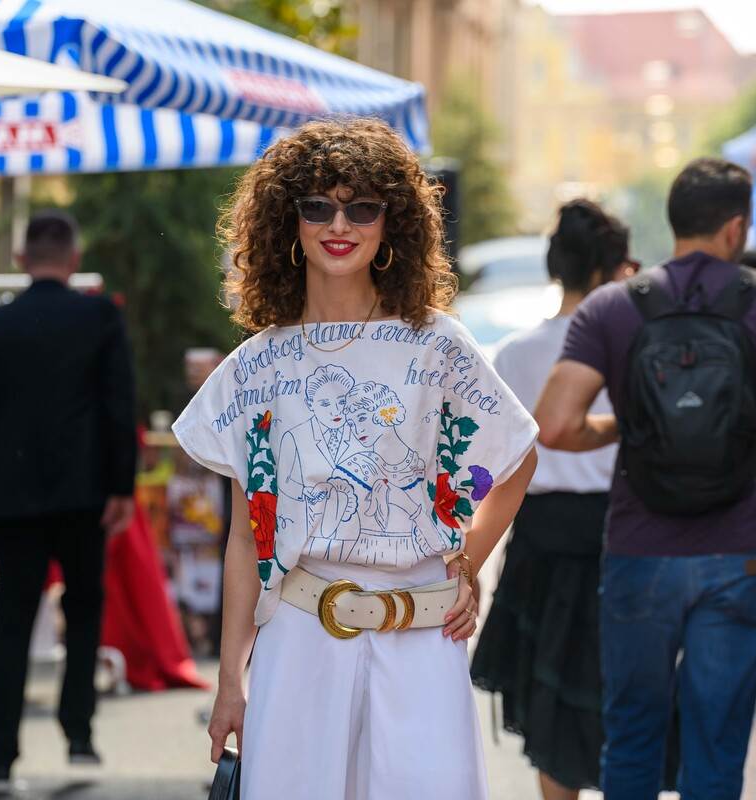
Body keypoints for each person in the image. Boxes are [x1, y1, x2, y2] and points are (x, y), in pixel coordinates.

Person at [173, 118, 539, 799]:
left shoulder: (438, 345)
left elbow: (516, 455)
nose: (339, 223)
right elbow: (248, 533)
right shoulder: (257, 366)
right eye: (317, 205)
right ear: (288, 221)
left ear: (390, 222)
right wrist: (230, 680)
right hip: (301, 635)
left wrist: (469, 560)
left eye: (361, 206)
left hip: (422, 633)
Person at [535, 157, 756, 799]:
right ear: (736, 228)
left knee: (630, 739)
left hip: (640, 550)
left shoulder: (613, 308)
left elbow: (554, 425)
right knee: (715, 748)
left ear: (674, 220)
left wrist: (621, 426)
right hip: (742, 552)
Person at [0, 210, 137, 796]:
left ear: (21, 259)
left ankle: (0, 755)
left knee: (13, 620)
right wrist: (121, 486)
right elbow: (117, 406)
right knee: (83, 611)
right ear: (75, 260)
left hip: (8, 497)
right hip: (83, 493)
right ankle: (78, 732)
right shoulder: (101, 317)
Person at [472, 200, 633, 800]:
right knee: (621, 696)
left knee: (549, 701)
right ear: (608, 269)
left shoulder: (516, 351)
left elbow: (493, 463)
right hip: (617, 535)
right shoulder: (627, 346)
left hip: (538, 535)